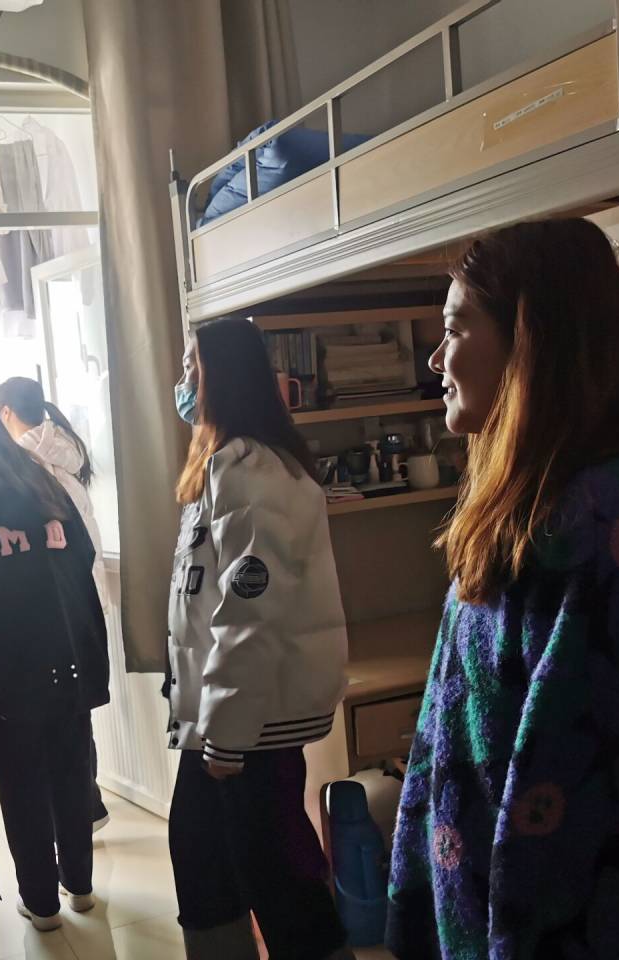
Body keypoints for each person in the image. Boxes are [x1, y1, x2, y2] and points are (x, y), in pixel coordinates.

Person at [387, 220, 619, 959]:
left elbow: (587, 835)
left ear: (532, 343)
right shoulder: (534, 510)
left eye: (455, 328)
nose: (436, 358)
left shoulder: (612, 535)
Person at [167, 317, 352, 960]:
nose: (182, 381)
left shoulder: (252, 471)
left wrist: (226, 734)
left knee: (276, 878)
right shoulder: (222, 466)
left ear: (224, 377)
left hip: (250, 724)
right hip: (225, 717)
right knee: (206, 864)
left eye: (191, 367)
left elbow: (249, 613)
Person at [0, 398, 109, 932]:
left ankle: (41, 902)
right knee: (71, 771)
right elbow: (84, 557)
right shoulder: (46, 487)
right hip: (71, 652)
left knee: (21, 781)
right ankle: (80, 886)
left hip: (9, 661)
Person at [0, 375, 111, 831]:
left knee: (57, 711)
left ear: (6, 412)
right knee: (75, 707)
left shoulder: (21, 464)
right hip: (85, 595)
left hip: (55, 600)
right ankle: (88, 804)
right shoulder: (66, 451)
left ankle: (79, 807)